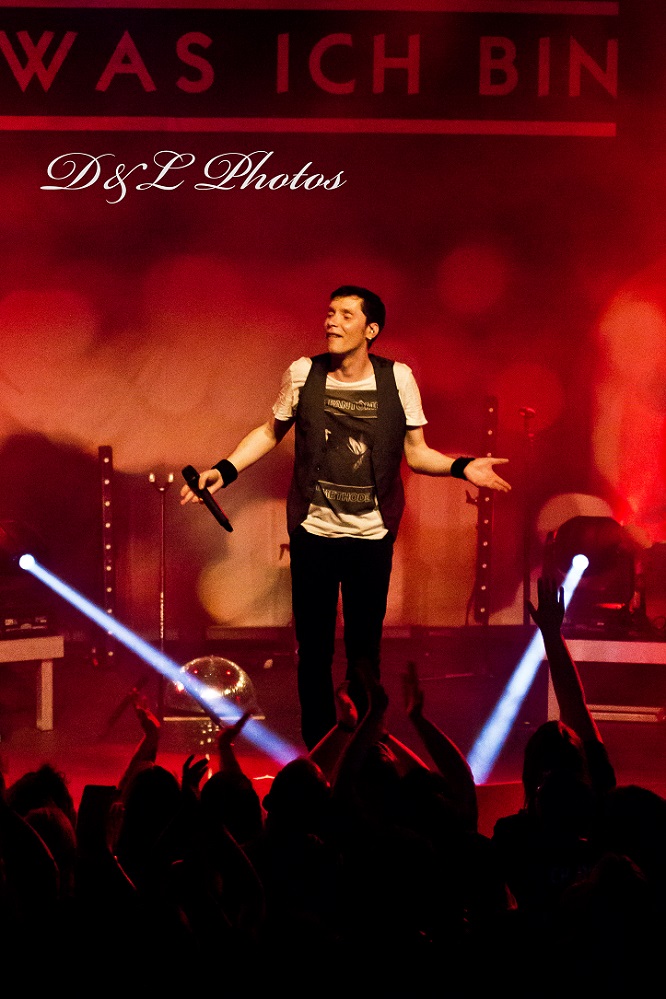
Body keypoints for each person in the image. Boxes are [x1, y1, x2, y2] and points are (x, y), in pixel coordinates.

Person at [181, 285, 511, 749]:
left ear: (370, 330)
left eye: (345, 315)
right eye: (330, 312)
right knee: (313, 651)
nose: (332, 321)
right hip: (313, 533)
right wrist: (225, 470)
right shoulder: (303, 373)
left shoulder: (398, 379)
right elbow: (271, 432)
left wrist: (463, 467)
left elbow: (417, 454)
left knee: (364, 654)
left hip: (371, 537)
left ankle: (363, 746)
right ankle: (319, 747)